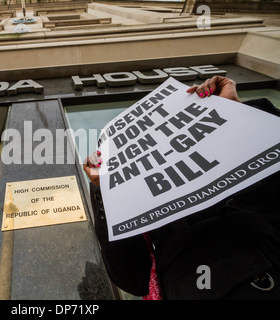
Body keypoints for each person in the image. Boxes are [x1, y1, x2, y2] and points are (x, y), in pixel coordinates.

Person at [84, 76, 280, 299]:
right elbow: (133, 279)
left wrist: (234, 112)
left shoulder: (243, 145)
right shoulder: (139, 201)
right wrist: (107, 191)